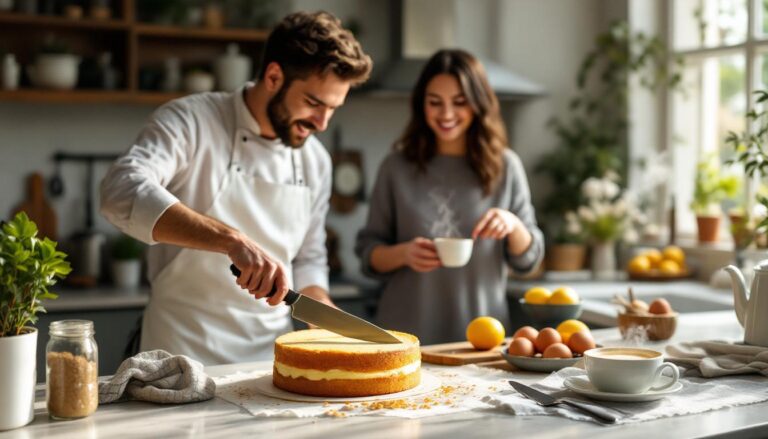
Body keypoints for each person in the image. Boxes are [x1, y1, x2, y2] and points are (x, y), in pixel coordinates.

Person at [101, 11, 372, 364]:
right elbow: (121, 189)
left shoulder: (315, 160)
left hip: (267, 361)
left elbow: (308, 259)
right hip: (179, 354)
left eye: (333, 109)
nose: (321, 123)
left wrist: (321, 309)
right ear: (274, 76)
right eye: (313, 103)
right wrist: (232, 241)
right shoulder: (192, 121)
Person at [355, 49, 543, 345]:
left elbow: (528, 262)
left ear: (478, 104)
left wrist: (513, 225)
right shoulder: (396, 167)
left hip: (481, 339)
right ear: (421, 104)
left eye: (460, 102)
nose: (446, 114)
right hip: (404, 339)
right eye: (435, 102)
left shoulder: (506, 167)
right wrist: (403, 253)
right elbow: (368, 254)